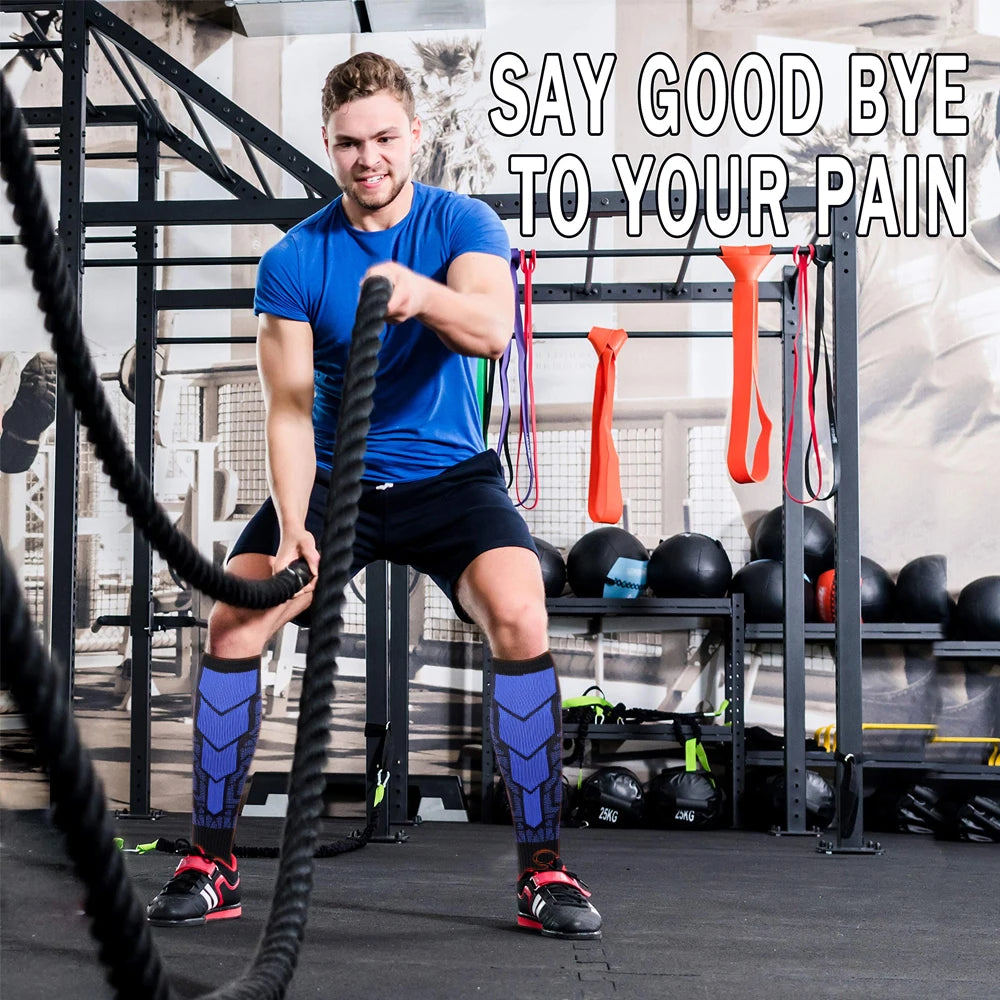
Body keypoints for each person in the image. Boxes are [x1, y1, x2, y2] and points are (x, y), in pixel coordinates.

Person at [145, 52, 601, 941]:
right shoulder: (293, 259)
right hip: (331, 479)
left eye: (386, 138)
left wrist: (417, 293)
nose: (370, 159)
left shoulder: (460, 222)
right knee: (234, 623)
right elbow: (285, 410)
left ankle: (543, 869)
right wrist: (291, 527)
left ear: (414, 135)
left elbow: (491, 329)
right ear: (329, 145)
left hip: (449, 478)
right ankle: (212, 862)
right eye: (351, 144)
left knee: (520, 611)